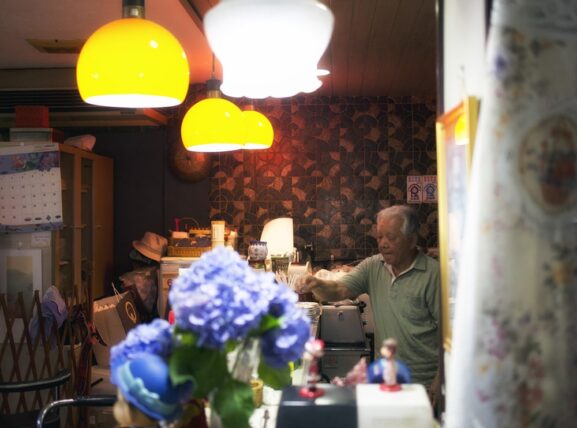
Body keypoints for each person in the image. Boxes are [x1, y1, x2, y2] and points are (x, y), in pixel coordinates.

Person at [297, 205, 440, 391]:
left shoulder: (433, 274)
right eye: (380, 237)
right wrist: (316, 284)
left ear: (412, 240)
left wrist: (439, 382)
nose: (383, 243)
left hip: (425, 383)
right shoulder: (374, 266)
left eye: (391, 237)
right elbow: (338, 290)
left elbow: (450, 334)